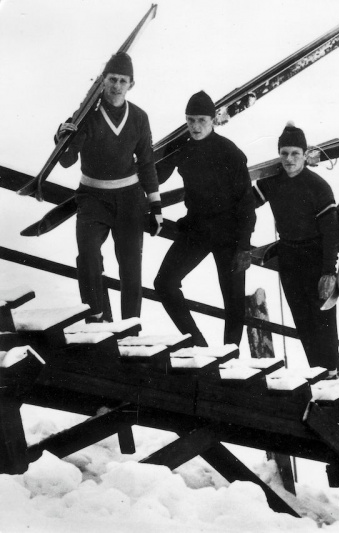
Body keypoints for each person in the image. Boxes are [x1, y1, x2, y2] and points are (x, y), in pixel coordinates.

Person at [56, 52, 162, 322]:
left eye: (123, 81)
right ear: (103, 80)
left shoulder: (139, 117)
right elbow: (66, 161)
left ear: (131, 84)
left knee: (130, 267)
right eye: (112, 79)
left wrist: (156, 205)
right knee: (88, 256)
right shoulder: (86, 115)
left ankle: (130, 329)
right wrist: (61, 136)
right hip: (92, 197)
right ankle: (97, 318)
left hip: (129, 199)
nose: (117, 85)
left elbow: (147, 162)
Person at [154, 91, 256, 346]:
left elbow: (246, 202)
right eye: (190, 120)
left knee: (233, 300)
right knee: (164, 283)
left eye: (201, 120)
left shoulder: (230, 152)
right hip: (197, 229)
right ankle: (198, 344)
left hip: (229, 233)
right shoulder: (182, 147)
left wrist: (244, 245)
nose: (196, 126)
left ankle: (229, 356)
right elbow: (156, 176)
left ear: (213, 120)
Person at [252, 122, 339, 378]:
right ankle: (318, 375)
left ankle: (334, 375)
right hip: (289, 257)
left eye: (295, 153)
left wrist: (329, 271)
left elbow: (330, 233)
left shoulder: (318, 186)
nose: (289, 159)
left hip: (316, 257)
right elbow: (247, 204)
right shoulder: (272, 181)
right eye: (284, 153)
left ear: (305, 154)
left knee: (324, 322)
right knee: (303, 322)